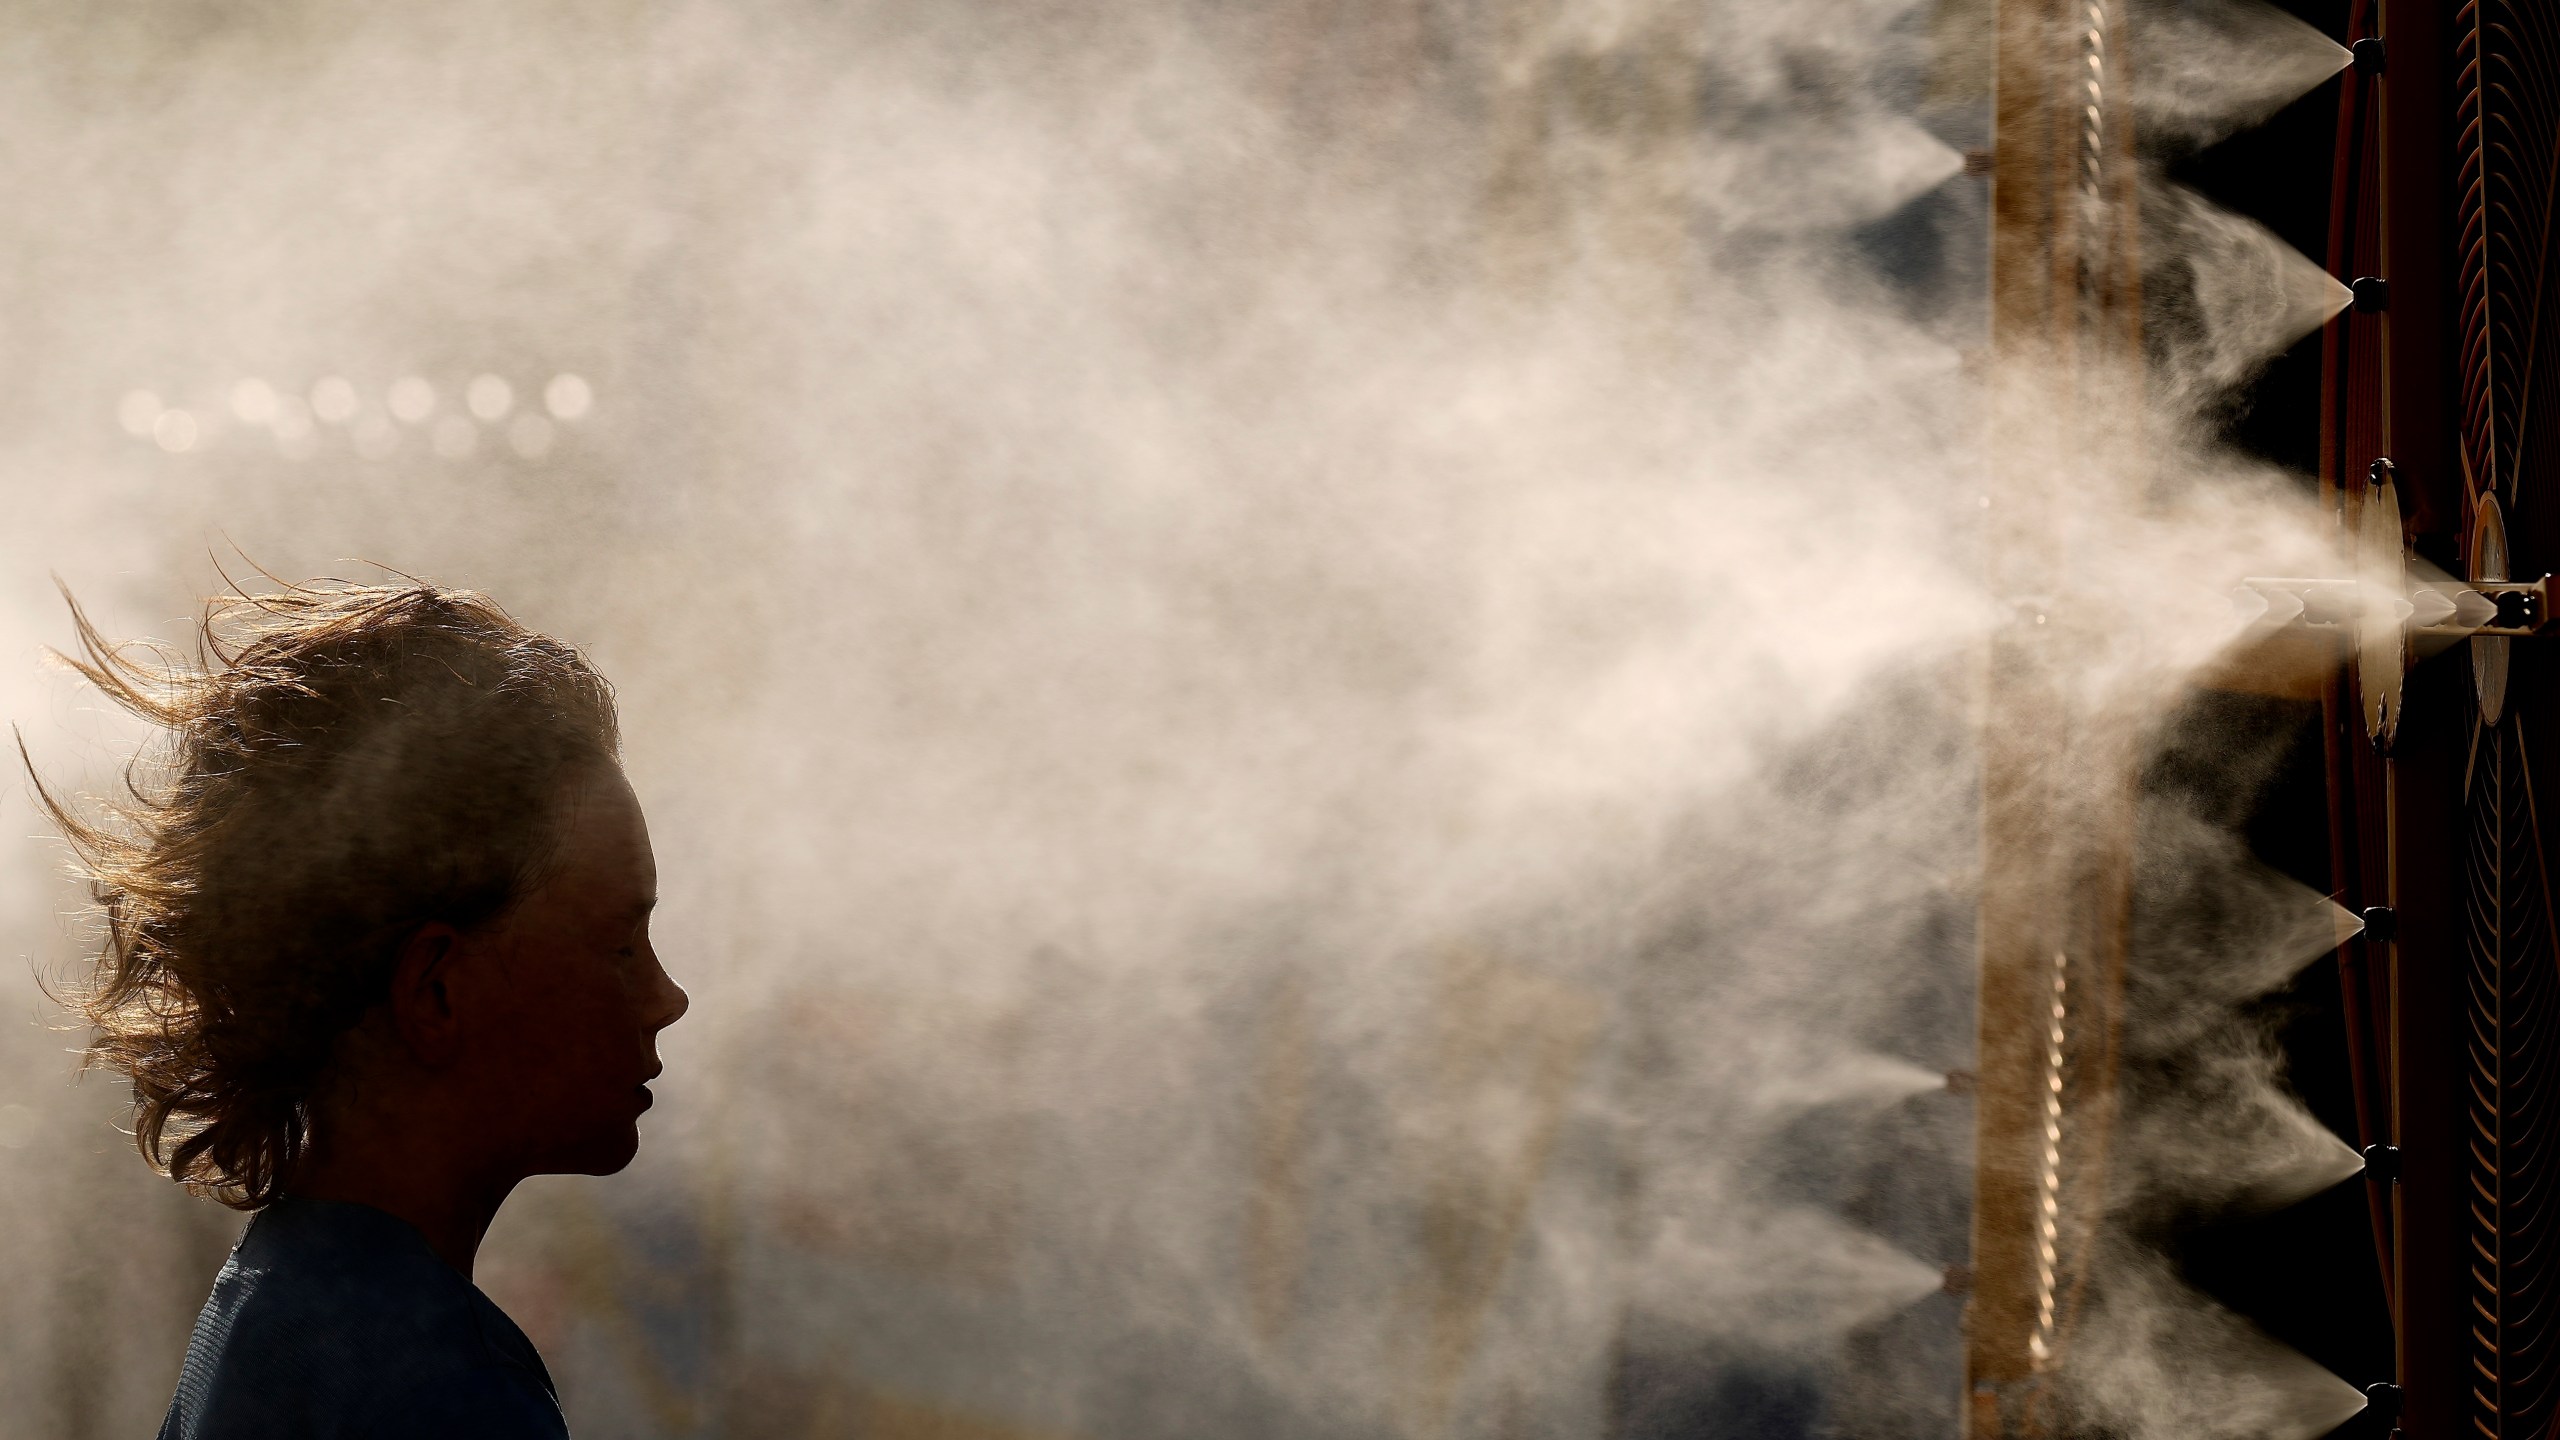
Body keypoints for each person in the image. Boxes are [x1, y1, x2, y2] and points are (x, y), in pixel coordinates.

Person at [30, 581, 689, 1440]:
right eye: (619, 945)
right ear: (437, 991)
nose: (667, 998)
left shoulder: (280, 1305)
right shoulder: (427, 1397)